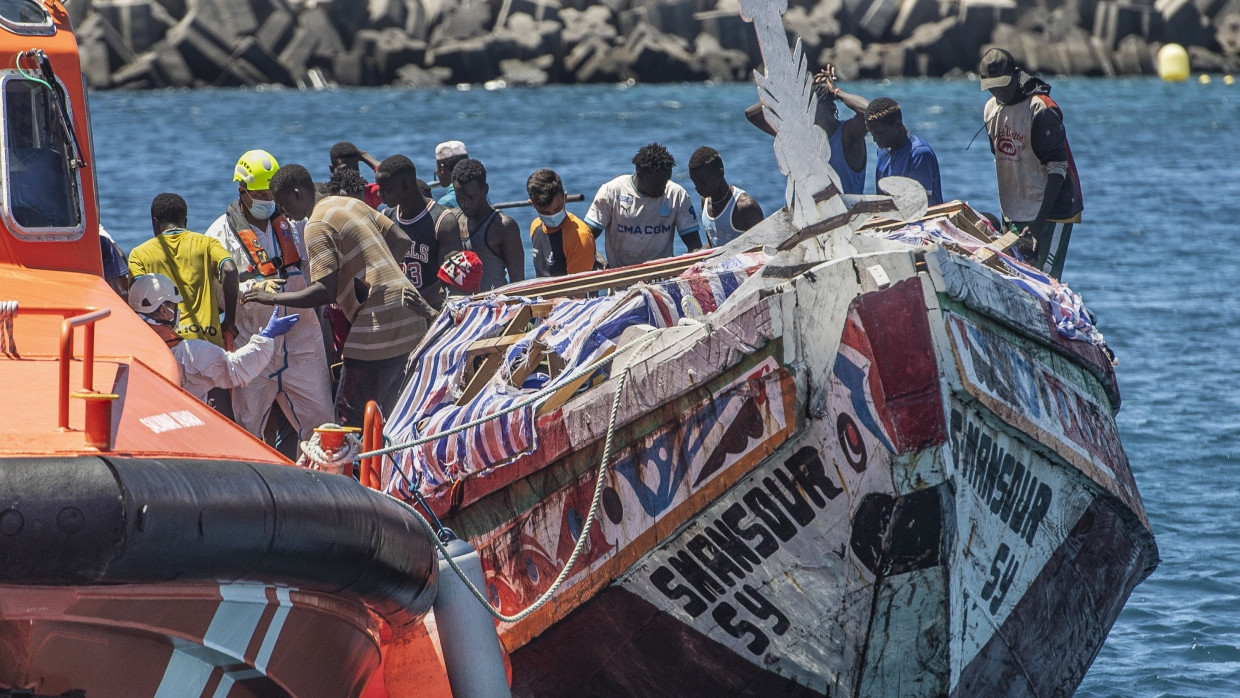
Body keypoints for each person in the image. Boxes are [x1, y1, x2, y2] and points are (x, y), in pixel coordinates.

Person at [245, 164, 437, 427]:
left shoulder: (316, 225)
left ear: (298, 194)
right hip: (410, 317)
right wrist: (377, 274)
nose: (283, 212)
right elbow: (401, 239)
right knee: (393, 415)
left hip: (377, 324)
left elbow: (325, 292)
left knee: (347, 416)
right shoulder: (349, 204)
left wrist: (272, 298)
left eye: (283, 203)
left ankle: (353, 469)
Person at [205, 150, 334, 446]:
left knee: (323, 422)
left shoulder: (297, 224)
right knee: (246, 426)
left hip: (302, 341)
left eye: (270, 191)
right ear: (243, 191)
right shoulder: (218, 235)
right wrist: (253, 292)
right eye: (259, 192)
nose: (266, 198)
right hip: (253, 342)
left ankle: (325, 482)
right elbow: (216, 296)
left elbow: (317, 272)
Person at [129, 193, 239, 417]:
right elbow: (229, 269)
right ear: (185, 221)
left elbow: (138, 303)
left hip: (167, 351)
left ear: (154, 222)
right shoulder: (206, 244)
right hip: (208, 347)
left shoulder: (140, 254)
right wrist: (229, 319)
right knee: (221, 425)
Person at [980, 47, 1083, 279]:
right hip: (1016, 209)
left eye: (1003, 85)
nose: (998, 92)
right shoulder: (990, 109)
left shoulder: (1040, 108)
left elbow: (1057, 169)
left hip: (1051, 210)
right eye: (992, 87)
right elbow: (1002, 157)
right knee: (1014, 276)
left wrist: (1038, 221)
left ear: (1016, 76)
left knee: (1044, 280)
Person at [130, 273, 299, 403]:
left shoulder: (127, 345)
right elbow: (236, 369)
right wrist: (266, 337)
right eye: (174, 305)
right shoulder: (190, 353)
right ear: (164, 311)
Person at [746, 65, 867, 195]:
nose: (805, 109)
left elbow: (869, 111)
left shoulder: (847, 134)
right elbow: (753, 114)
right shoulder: (800, 136)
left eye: (812, 103)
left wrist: (836, 91)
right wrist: (793, 91)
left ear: (831, 108)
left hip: (847, 213)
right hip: (808, 214)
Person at [584, 143, 701, 268]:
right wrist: (597, 257)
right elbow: (585, 238)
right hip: (621, 279)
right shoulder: (612, 192)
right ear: (639, 173)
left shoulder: (676, 194)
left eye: (666, 182)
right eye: (657, 184)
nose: (663, 188)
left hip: (663, 279)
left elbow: (694, 245)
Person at [376, 154, 459, 307]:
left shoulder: (442, 221)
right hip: (400, 312)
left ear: (406, 185)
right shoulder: (386, 218)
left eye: (386, 189)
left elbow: (451, 278)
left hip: (432, 311)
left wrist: (415, 301)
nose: (379, 194)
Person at [451, 158, 525, 291]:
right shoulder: (453, 220)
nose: (465, 204)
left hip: (494, 308)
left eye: (471, 197)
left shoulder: (503, 227)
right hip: (463, 308)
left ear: (485, 190)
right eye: (459, 198)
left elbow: (518, 280)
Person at [863, 97, 943, 206]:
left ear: (897, 124)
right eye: (872, 134)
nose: (875, 139)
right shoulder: (882, 151)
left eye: (880, 133)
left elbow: (920, 206)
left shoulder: (918, 153)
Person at [526, 168, 598, 277]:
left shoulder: (579, 237)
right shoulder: (535, 226)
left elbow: (579, 290)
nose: (552, 215)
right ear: (532, 204)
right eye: (544, 211)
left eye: (557, 208)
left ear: (565, 197)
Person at [686, 147, 764, 247]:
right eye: (694, 182)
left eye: (703, 182)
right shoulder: (705, 202)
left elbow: (766, 245)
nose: (697, 187)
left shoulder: (745, 206)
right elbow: (713, 243)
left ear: (720, 173)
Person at [329, 141, 382, 209]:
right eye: (345, 169)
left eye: (355, 169)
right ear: (332, 169)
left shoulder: (369, 193)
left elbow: (392, 180)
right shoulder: (326, 195)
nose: (351, 174)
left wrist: (364, 155)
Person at [434, 141, 470, 209]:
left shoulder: (445, 203)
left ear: (442, 169)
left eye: (437, 167)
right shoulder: (481, 194)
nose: (436, 171)